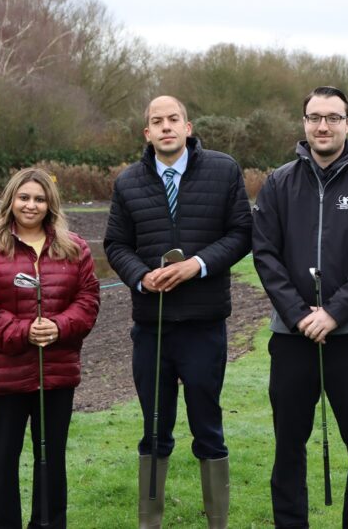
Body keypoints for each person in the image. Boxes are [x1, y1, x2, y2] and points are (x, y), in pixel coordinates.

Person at [252, 86, 348, 528]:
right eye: (315, 117)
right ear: (304, 123)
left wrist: (334, 313)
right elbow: (265, 254)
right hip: (292, 338)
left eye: (333, 117)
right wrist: (300, 315)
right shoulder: (279, 182)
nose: (323, 126)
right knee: (288, 446)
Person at [104, 95, 252, 528]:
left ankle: (217, 523)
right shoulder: (128, 182)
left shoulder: (224, 170)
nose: (166, 127)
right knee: (154, 429)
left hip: (204, 326)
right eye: (157, 121)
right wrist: (140, 276)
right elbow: (116, 244)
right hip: (151, 329)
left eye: (173, 119)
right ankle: (150, 522)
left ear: (188, 127)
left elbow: (242, 232)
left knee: (207, 427)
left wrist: (198, 265)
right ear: (147, 133)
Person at [0, 167, 101, 529]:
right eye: (24, 197)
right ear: (10, 200)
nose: (31, 205)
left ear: (50, 204)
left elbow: (88, 300)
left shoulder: (75, 248)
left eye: (39, 198)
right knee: (3, 459)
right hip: (5, 376)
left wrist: (58, 326)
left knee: (51, 459)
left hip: (57, 375)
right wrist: (24, 332)